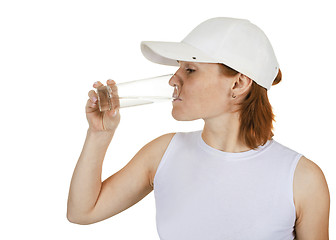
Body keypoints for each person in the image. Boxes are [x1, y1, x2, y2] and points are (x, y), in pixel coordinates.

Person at [67, 17, 330, 239]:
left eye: (190, 70)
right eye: (178, 68)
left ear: (239, 84)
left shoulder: (301, 179)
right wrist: (99, 135)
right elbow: (83, 211)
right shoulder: (163, 153)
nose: (173, 79)